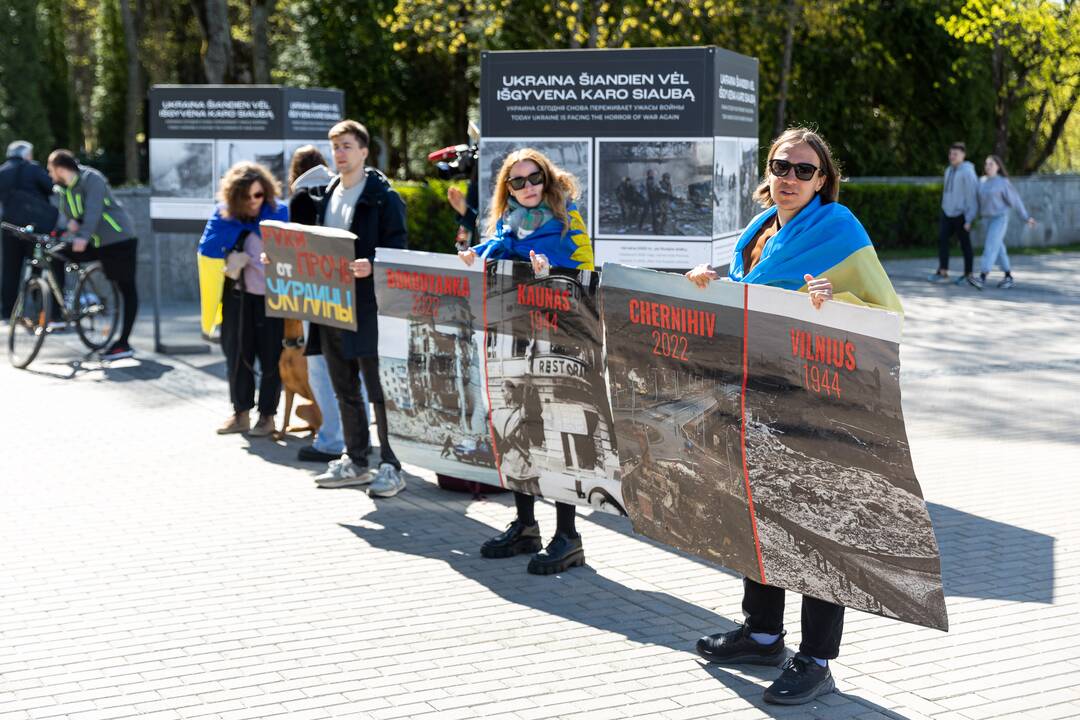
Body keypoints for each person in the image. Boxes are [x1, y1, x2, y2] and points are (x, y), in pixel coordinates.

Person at [685, 127, 902, 706]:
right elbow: (752, 296)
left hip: (819, 402)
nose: (790, 178)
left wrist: (839, 301)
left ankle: (817, 657)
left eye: (804, 170)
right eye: (782, 166)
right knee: (759, 516)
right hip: (756, 394)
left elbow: (887, 312)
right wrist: (711, 287)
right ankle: (761, 634)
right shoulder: (758, 233)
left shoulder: (840, 231)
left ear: (823, 179)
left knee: (816, 521)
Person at [458, 147, 593, 575]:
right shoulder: (506, 224)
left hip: (557, 341)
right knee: (516, 427)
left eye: (535, 178)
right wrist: (472, 256)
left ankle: (568, 536)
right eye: (518, 181)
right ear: (508, 188)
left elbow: (587, 277)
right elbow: (492, 252)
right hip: (511, 339)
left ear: (547, 180)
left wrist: (552, 270)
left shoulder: (568, 221)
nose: (528, 187)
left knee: (556, 434)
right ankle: (526, 525)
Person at [308, 120, 408, 499]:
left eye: (347, 146)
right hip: (332, 306)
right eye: (335, 147)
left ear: (364, 151)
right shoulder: (330, 192)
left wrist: (373, 266)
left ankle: (391, 465)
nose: (340, 154)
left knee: (379, 391)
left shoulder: (384, 197)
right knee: (343, 385)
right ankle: (356, 459)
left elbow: (398, 250)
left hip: (369, 307)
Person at [199, 162, 289, 436]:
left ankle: (267, 416)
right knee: (237, 355)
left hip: (272, 299)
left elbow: (293, 254)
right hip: (238, 296)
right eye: (247, 196)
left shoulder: (279, 213)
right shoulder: (224, 216)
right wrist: (229, 260)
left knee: (271, 357)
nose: (253, 202)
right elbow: (208, 250)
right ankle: (240, 413)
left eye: (258, 195)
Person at [286, 145, 348, 464]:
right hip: (348, 289)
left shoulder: (300, 197)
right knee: (353, 369)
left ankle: (330, 439)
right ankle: (356, 437)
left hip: (316, 294)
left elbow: (296, 250)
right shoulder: (342, 189)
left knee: (321, 368)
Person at [47, 150, 140, 359]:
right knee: (55, 255)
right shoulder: (64, 189)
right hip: (94, 241)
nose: (49, 174)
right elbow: (72, 216)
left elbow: (93, 211)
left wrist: (81, 235)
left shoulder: (92, 179)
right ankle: (60, 312)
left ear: (60, 168)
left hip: (118, 240)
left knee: (126, 288)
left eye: (50, 169)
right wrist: (70, 228)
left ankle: (124, 344)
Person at [1, 141, 60, 320]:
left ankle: (7, 312)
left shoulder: (2, 171)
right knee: (38, 267)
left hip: (10, 228)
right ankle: (40, 311)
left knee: (10, 270)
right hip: (35, 228)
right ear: (27, 155)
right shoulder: (33, 169)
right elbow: (52, 188)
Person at [974, 154, 1036, 290]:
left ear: (998, 167)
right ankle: (1008, 277)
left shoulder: (1003, 182)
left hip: (999, 218)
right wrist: (969, 219)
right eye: (986, 164)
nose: (988, 167)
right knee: (999, 248)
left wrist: (1026, 217)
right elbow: (976, 203)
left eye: (991, 164)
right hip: (986, 219)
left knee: (990, 246)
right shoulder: (981, 182)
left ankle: (982, 277)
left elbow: (1016, 201)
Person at [929, 141, 979, 287]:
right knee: (943, 240)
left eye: (955, 154)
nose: (952, 156)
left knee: (965, 244)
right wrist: (944, 208)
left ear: (963, 155)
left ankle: (968, 274)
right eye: (951, 153)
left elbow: (972, 196)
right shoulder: (948, 170)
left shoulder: (968, 172)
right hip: (947, 213)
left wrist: (969, 219)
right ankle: (943, 271)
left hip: (962, 214)